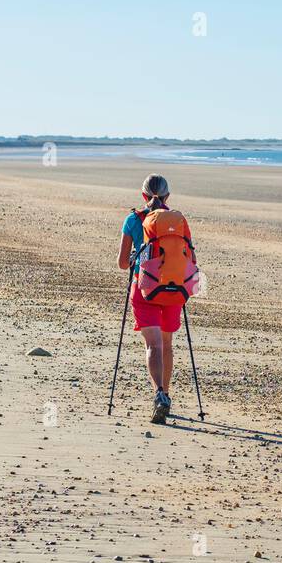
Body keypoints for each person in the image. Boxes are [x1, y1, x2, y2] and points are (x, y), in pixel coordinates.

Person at [119, 174, 195, 424]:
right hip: (174, 290)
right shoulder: (178, 221)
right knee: (167, 344)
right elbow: (189, 258)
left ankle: (159, 394)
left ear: (143, 196)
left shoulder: (133, 219)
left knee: (153, 345)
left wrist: (134, 259)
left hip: (144, 290)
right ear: (168, 197)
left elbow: (122, 264)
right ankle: (167, 394)